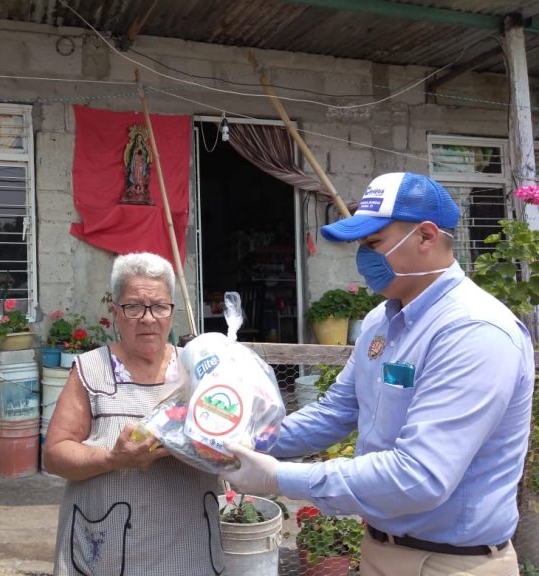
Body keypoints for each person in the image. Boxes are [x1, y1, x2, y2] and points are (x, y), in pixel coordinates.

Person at [224, 172, 535, 576]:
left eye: (374, 244)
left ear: (425, 236)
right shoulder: (380, 321)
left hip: (452, 563)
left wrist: (280, 477)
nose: (362, 258)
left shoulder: (475, 332)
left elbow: (420, 475)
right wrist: (243, 438)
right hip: (378, 548)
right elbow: (335, 411)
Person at [44, 252, 225, 576]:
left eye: (158, 306)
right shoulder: (91, 370)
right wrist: (113, 459)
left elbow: (229, 440)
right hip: (109, 550)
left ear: (172, 312)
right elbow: (55, 455)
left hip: (190, 545)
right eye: (133, 307)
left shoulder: (199, 371)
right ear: (115, 312)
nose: (147, 318)